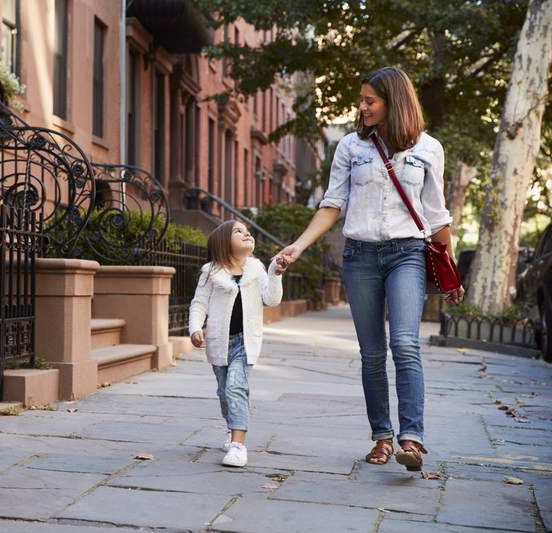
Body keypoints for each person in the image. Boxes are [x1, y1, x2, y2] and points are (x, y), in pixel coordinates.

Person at [276, 66, 465, 472]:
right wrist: (298, 246)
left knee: (405, 343)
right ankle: (382, 437)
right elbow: (332, 204)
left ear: (393, 102)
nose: (361, 108)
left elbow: (436, 215)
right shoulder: (350, 148)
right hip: (360, 256)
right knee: (372, 353)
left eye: (369, 101)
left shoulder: (429, 148)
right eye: (361, 100)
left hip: (407, 254)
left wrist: (451, 270)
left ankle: (411, 439)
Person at [189, 220, 286, 467]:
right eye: (238, 231)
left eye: (248, 231)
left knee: (235, 387)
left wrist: (275, 272)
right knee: (224, 391)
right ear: (223, 242)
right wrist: (195, 328)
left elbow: (271, 300)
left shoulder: (256, 269)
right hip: (219, 342)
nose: (247, 234)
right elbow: (199, 303)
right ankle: (232, 424)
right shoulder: (211, 272)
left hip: (246, 342)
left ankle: (238, 445)